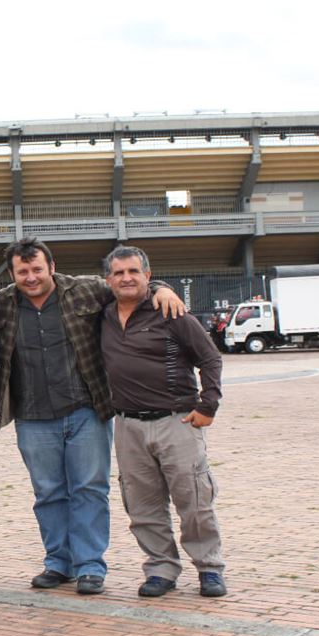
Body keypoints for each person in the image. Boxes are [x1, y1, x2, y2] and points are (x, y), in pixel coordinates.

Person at [0, 236, 184, 596]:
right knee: (48, 492)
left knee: (90, 489)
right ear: (13, 273)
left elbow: (127, 285)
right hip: (32, 416)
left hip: (85, 411)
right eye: (22, 271)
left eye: (36, 269)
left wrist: (161, 288)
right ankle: (58, 563)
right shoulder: (1, 304)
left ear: (51, 265)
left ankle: (90, 565)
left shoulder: (86, 291)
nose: (30, 277)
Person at [100, 246, 227, 598]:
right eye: (119, 273)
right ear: (108, 279)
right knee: (141, 505)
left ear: (148, 275)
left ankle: (209, 567)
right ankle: (160, 568)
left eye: (134, 272)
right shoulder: (103, 314)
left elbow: (210, 359)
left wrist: (208, 406)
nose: (127, 278)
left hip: (177, 420)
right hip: (127, 425)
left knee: (195, 500)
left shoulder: (171, 312)